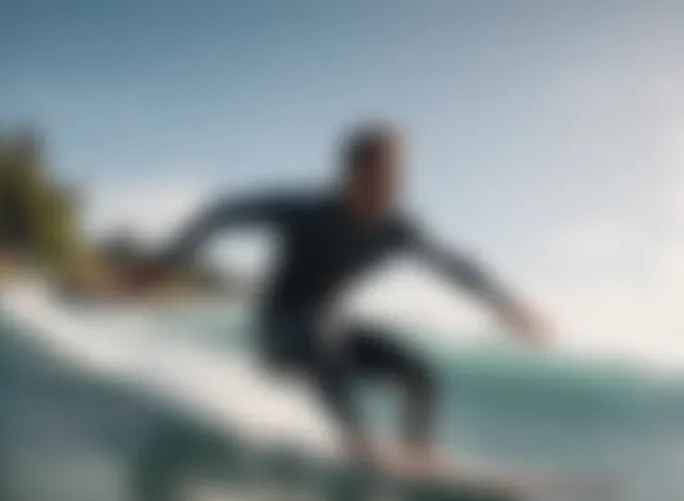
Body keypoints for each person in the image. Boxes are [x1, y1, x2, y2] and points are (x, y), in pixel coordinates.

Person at [145, 123, 549, 473]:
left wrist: (506, 305)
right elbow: (223, 211)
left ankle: (419, 455)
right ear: (352, 172)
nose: (394, 185)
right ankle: (357, 446)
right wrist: (168, 261)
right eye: (384, 173)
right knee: (321, 337)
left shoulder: (397, 228)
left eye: (399, 174)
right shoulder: (306, 210)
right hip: (281, 335)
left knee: (420, 374)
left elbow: (454, 264)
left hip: (328, 332)